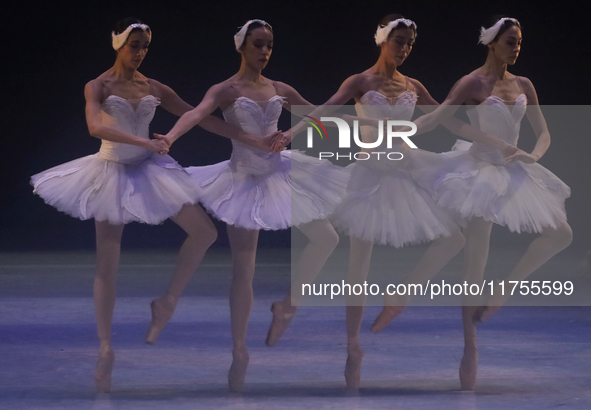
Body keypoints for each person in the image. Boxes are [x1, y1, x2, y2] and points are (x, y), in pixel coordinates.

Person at [30, 18, 278, 393]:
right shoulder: (98, 85)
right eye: (134, 45)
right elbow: (95, 127)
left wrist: (250, 139)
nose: (140, 52)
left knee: (205, 231)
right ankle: (105, 348)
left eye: (145, 45)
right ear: (119, 45)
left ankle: (167, 301)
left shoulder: (155, 87)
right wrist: (146, 143)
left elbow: (202, 118)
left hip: (150, 170)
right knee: (107, 264)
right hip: (111, 171)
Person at [155, 19, 347, 392]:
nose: (264, 51)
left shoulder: (279, 88)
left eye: (269, 45)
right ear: (242, 47)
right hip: (242, 180)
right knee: (244, 269)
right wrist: (172, 136)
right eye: (258, 44)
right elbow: (197, 114)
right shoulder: (226, 89)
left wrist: (290, 133)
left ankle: (287, 304)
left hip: (279, 173)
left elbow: (316, 114)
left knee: (327, 238)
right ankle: (240, 351)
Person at [403, 16, 572, 389]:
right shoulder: (472, 82)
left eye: (519, 42)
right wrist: (396, 132)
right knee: (474, 262)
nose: (516, 47)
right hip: (477, 170)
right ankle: (470, 346)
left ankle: (505, 288)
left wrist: (534, 155)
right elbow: (436, 118)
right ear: (492, 43)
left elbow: (543, 132)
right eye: (510, 41)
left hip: (513, 167)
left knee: (562, 234)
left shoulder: (524, 84)